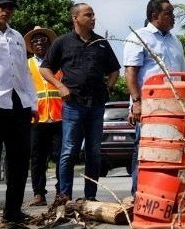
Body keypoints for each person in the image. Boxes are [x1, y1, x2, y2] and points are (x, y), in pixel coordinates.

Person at [40, 3, 118, 206]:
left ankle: (90, 196)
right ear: (76, 18)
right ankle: (64, 196)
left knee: (93, 151)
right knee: (69, 150)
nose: (93, 18)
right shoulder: (62, 42)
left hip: (96, 105)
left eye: (93, 14)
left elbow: (114, 70)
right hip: (73, 104)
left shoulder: (101, 43)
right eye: (88, 15)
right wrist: (59, 86)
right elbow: (45, 69)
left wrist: (109, 86)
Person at [124, 0, 185, 196]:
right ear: (155, 16)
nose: (173, 17)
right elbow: (131, 73)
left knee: (171, 151)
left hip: (174, 107)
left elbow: (183, 74)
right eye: (169, 13)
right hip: (149, 106)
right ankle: (139, 195)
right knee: (145, 150)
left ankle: (165, 195)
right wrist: (136, 103)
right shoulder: (139, 37)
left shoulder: (175, 40)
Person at [0, 0, 35, 229]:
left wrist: (31, 102)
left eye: (10, 7)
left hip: (18, 103)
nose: (7, 11)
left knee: (20, 160)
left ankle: (13, 211)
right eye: (2, 5)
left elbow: (24, 72)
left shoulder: (16, 37)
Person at [25, 26, 61, 207]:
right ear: (31, 45)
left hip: (58, 116)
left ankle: (62, 192)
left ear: (50, 43)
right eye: (36, 41)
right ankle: (39, 194)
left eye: (44, 40)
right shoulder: (27, 64)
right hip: (36, 118)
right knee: (37, 158)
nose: (40, 43)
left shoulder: (60, 62)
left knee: (61, 156)